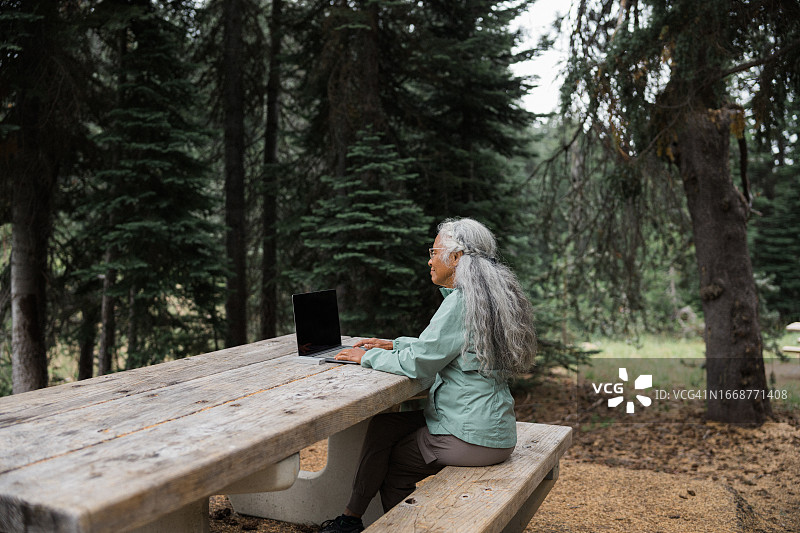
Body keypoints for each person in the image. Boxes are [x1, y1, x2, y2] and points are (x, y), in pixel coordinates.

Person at [319, 217, 537, 533]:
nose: (430, 260)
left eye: (434, 252)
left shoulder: (461, 302)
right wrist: (394, 344)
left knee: (396, 466)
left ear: (456, 257)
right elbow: (445, 347)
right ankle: (351, 518)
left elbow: (420, 363)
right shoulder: (486, 299)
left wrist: (367, 357)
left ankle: (401, 528)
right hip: (490, 428)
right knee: (384, 426)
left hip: (469, 436)